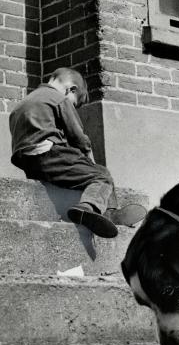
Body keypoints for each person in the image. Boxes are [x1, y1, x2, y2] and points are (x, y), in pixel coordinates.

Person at [9, 67, 146, 238]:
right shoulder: (58, 98)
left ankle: (103, 210)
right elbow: (78, 137)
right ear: (71, 89)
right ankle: (92, 208)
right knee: (101, 175)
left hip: (29, 163)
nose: (73, 107)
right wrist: (89, 159)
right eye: (74, 104)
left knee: (79, 176)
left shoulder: (21, 104)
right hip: (50, 154)